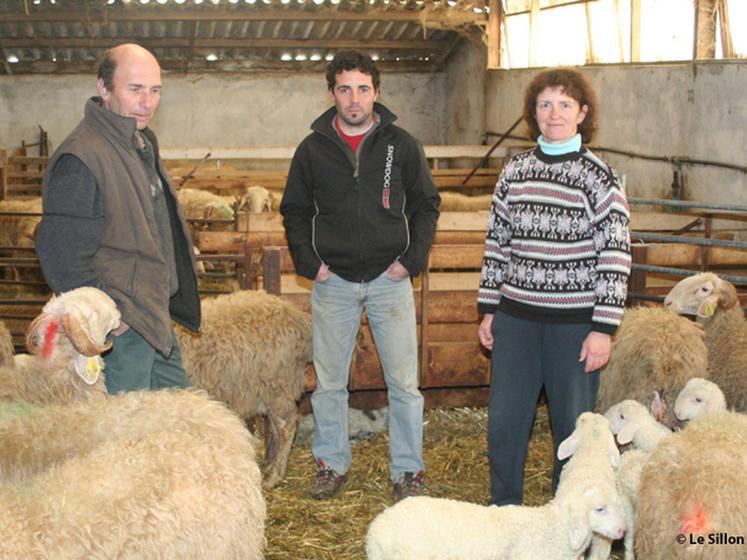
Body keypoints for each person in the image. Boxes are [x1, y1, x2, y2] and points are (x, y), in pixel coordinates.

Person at [280, 50, 440, 501]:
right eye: (345, 89)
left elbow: (427, 204)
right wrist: (310, 265)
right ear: (331, 93)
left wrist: (411, 260)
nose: (354, 99)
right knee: (330, 382)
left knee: (404, 383)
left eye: (363, 89)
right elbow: (293, 210)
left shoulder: (401, 145)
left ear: (377, 92)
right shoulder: (312, 150)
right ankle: (331, 463)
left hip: (391, 280)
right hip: (335, 283)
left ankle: (408, 470)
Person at [477, 68, 631, 506]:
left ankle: (568, 517)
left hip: (574, 325)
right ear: (533, 113)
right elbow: (497, 242)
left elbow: (616, 254)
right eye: (545, 104)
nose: (554, 113)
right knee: (505, 422)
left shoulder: (599, 177)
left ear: (582, 113)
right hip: (517, 319)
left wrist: (603, 327)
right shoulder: (515, 171)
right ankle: (504, 510)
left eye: (565, 104)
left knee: (573, 426)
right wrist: (489, 308)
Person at [36, 43, 201, 393]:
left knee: (179, 416)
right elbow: (61, 255)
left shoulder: (140, 143)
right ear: (104, 88)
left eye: (155, 90)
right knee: (129, 432)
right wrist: (112, 318)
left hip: (154, 315)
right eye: (135, 89)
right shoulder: (82, 156)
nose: (148, 101)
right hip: (121, 329)